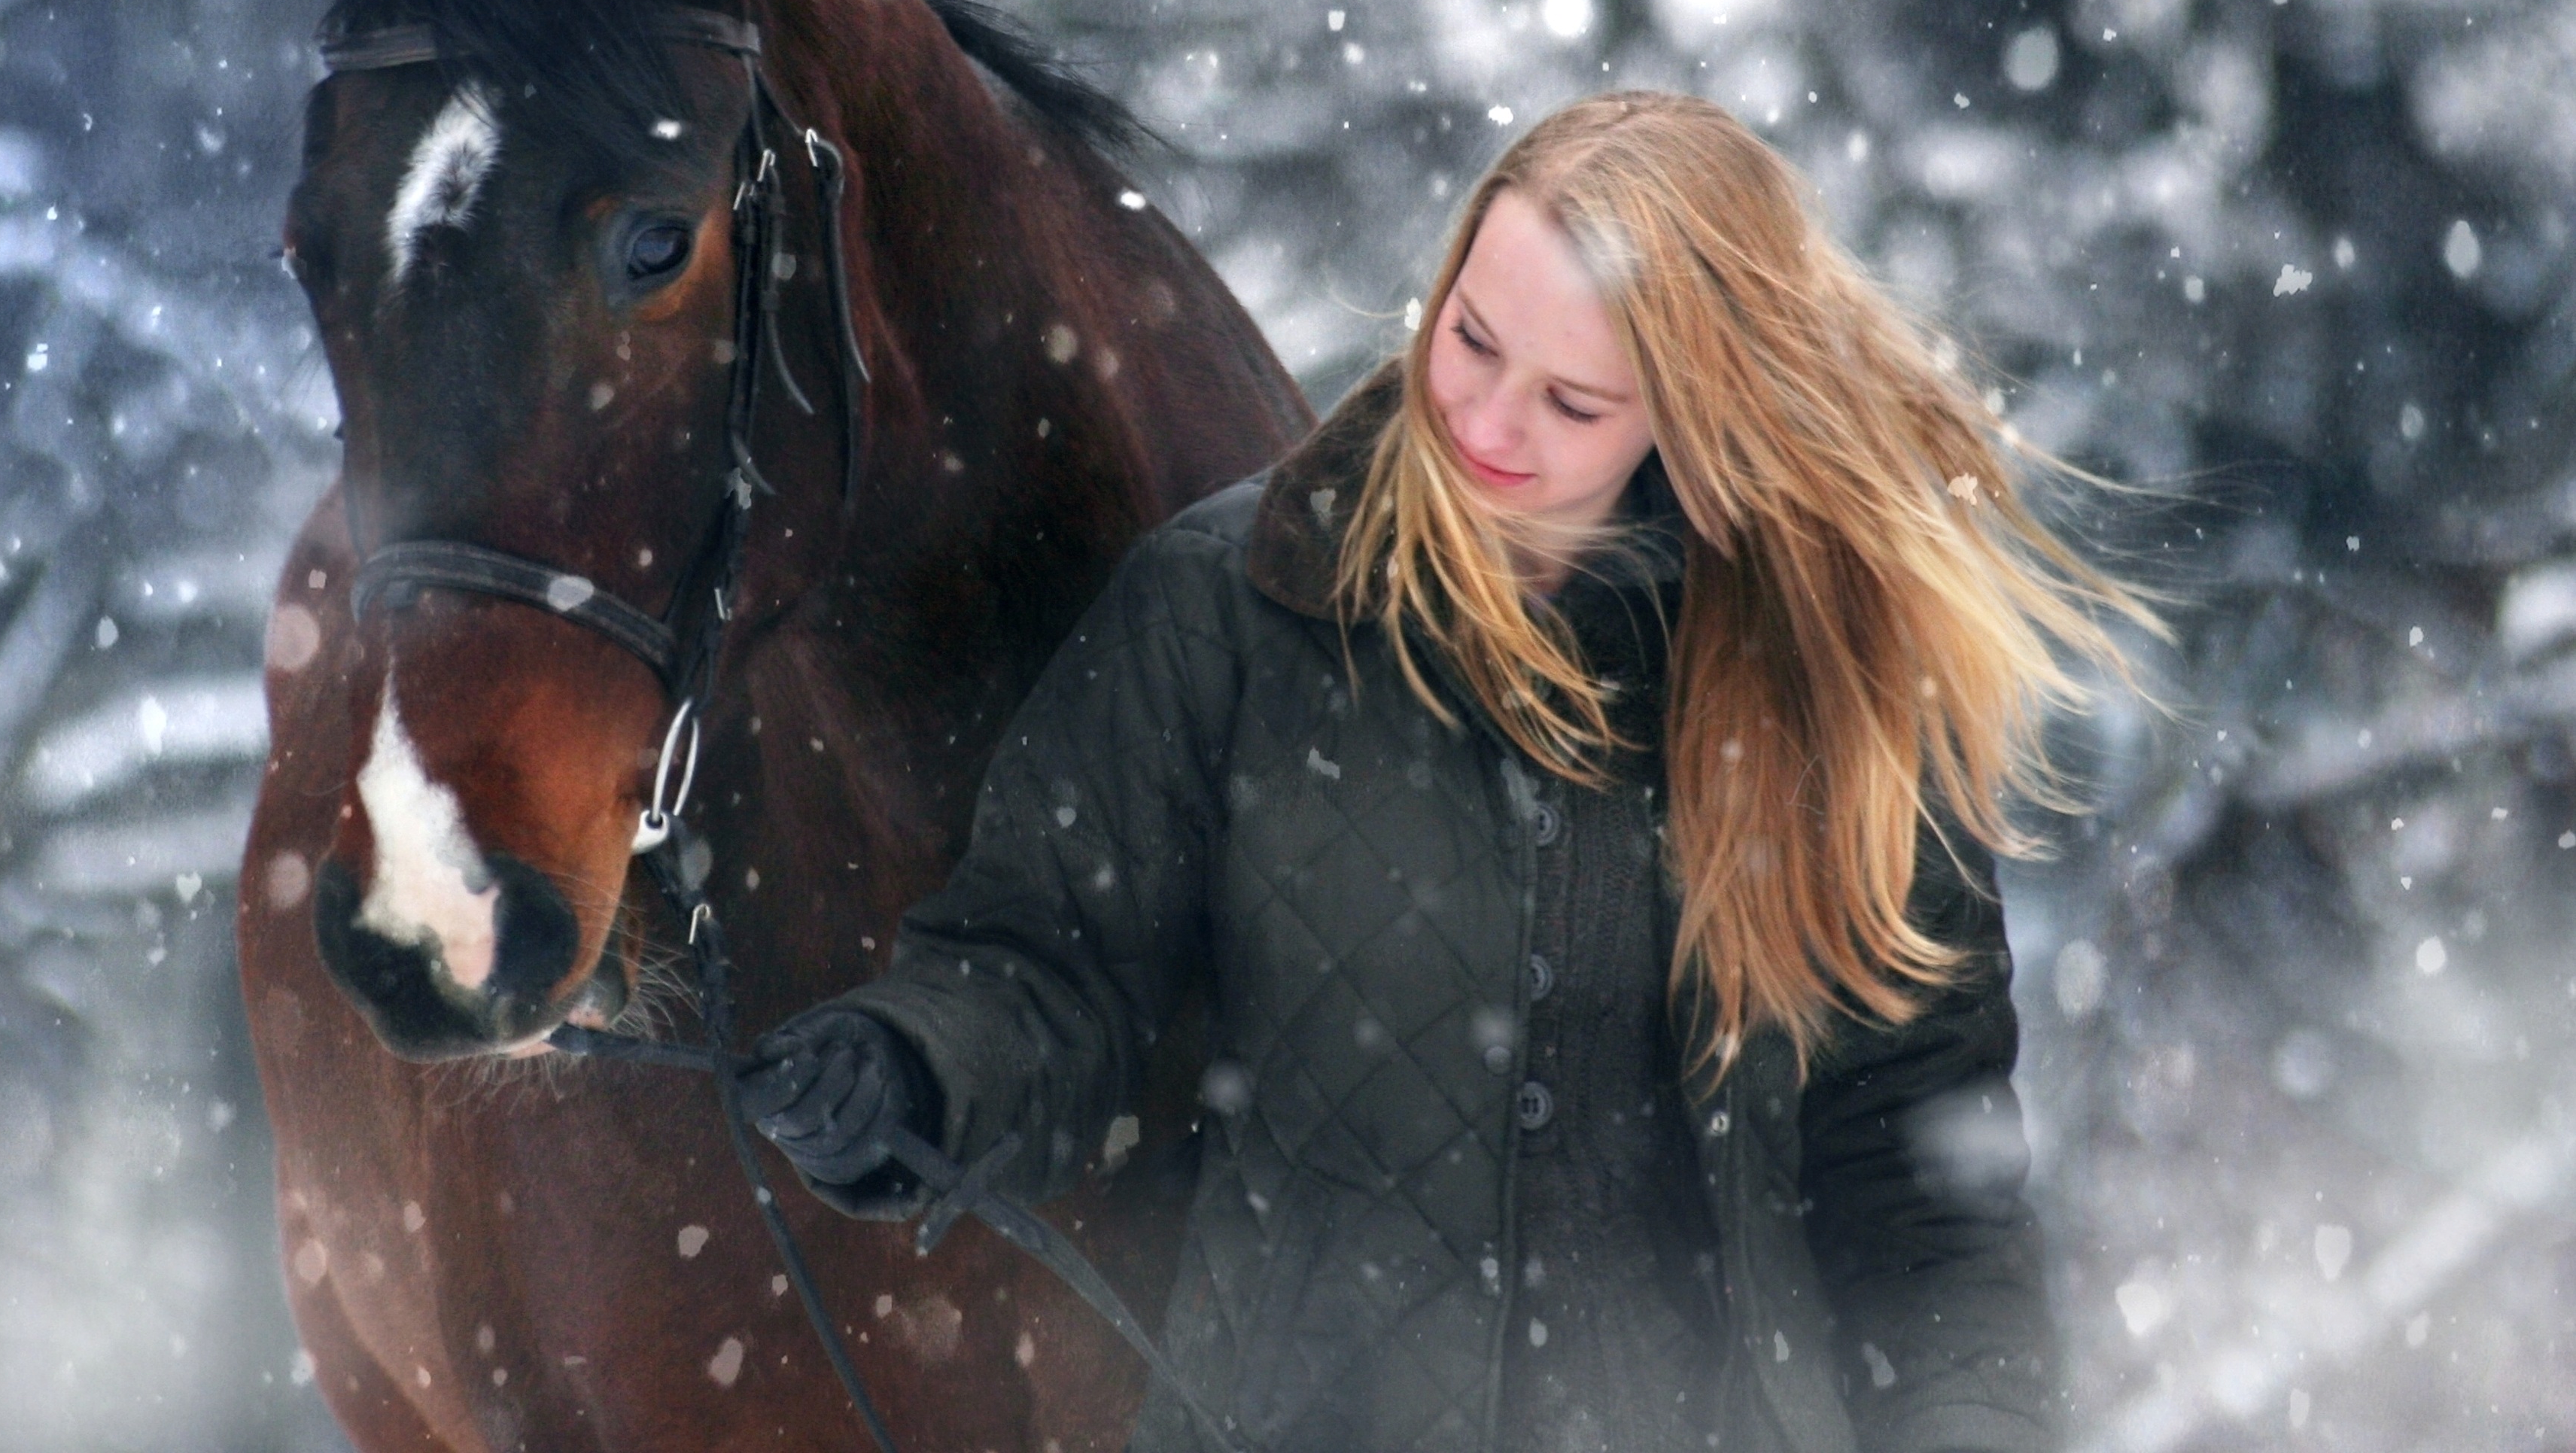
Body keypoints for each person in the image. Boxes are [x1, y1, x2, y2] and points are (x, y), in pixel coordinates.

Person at [735, 90, 2155, 1453]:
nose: (1484, 424)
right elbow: (1050, 973)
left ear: (1698, 418)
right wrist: (913, 1067)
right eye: (1470, 339)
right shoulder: (1233, 606)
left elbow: (1925, 1202)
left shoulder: (1834, 696)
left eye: (1574, 403)